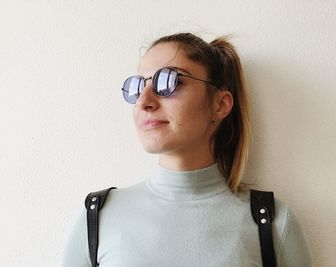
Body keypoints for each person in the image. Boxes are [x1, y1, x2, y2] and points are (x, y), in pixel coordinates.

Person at [62, 32, 312, 266]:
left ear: (220, 105)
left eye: (169, 81)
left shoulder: (271, 222)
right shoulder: (97, 217)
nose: (144, 101)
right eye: (137, 86)